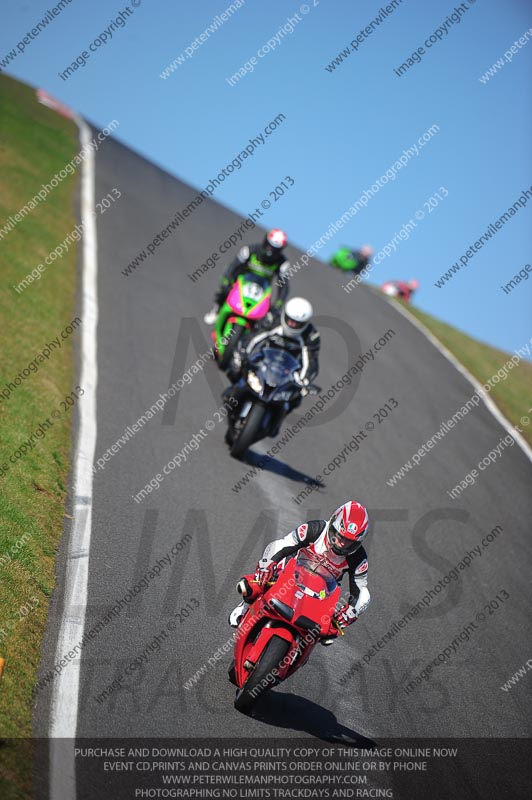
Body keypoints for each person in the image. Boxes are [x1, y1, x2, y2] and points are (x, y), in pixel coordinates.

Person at [228, 501, 371, 644]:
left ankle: (302, 648)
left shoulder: (359, 558)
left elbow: (360, 590)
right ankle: (245, 606)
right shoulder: (315, 529)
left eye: (349, 542)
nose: (342, 544)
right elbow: (284, 544)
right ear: (333, 524)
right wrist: (267, 565)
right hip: (292, 573)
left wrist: (350, 612)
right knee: (252, 585)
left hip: (321, 593)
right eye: (340, 536)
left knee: (330, 631)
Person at [227, 297, 320, 410]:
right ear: (285, 315)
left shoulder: (311, 335)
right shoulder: (273, 319)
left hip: (288, 370)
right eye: (290, 320)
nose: (292, 325)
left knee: (296, 399)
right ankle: (233, 393)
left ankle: (277, 420)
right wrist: (242, 353)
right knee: (236, 369)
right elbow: (253, 337)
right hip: (264, 359)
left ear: (305, 323)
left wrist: (304, 380)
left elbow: (311, 360)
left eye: (297, 324)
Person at [204, 229, 291, 325]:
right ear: (265, 242)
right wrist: (227, 280)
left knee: (267, 315)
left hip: (261, 290)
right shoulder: (250, 250)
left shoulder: (282, 263)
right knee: (225, 291)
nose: (270, 251)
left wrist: (278, 304)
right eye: (269, 247)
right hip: (241, 282)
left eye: (275, 250)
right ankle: (217, 310)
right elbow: (233, 266)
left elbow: (284, 286)